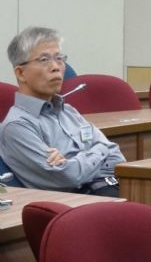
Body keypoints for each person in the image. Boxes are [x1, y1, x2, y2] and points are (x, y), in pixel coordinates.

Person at [0, 27, 125, 197]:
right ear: (21, 73)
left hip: (112, 186)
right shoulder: (17, 126)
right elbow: (69, 176)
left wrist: (78, 159)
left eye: (59, 58)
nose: (55, 67)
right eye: (44, 59)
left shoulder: (68, 111)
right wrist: (99, 150)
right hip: (81, 201)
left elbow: (116, 154)